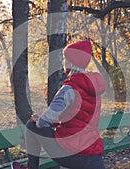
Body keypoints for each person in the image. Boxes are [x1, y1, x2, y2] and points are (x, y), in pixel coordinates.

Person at [12, 40, 106, 169]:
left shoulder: (69, 89)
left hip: (72, 154)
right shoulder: (94, 88)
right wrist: (51, 120)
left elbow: (44, 122)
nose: (63, 62)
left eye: (65, 59)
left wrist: (38, 119)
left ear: (71, 62)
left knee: (31, 126)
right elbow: (78, 117)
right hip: (94, 156)